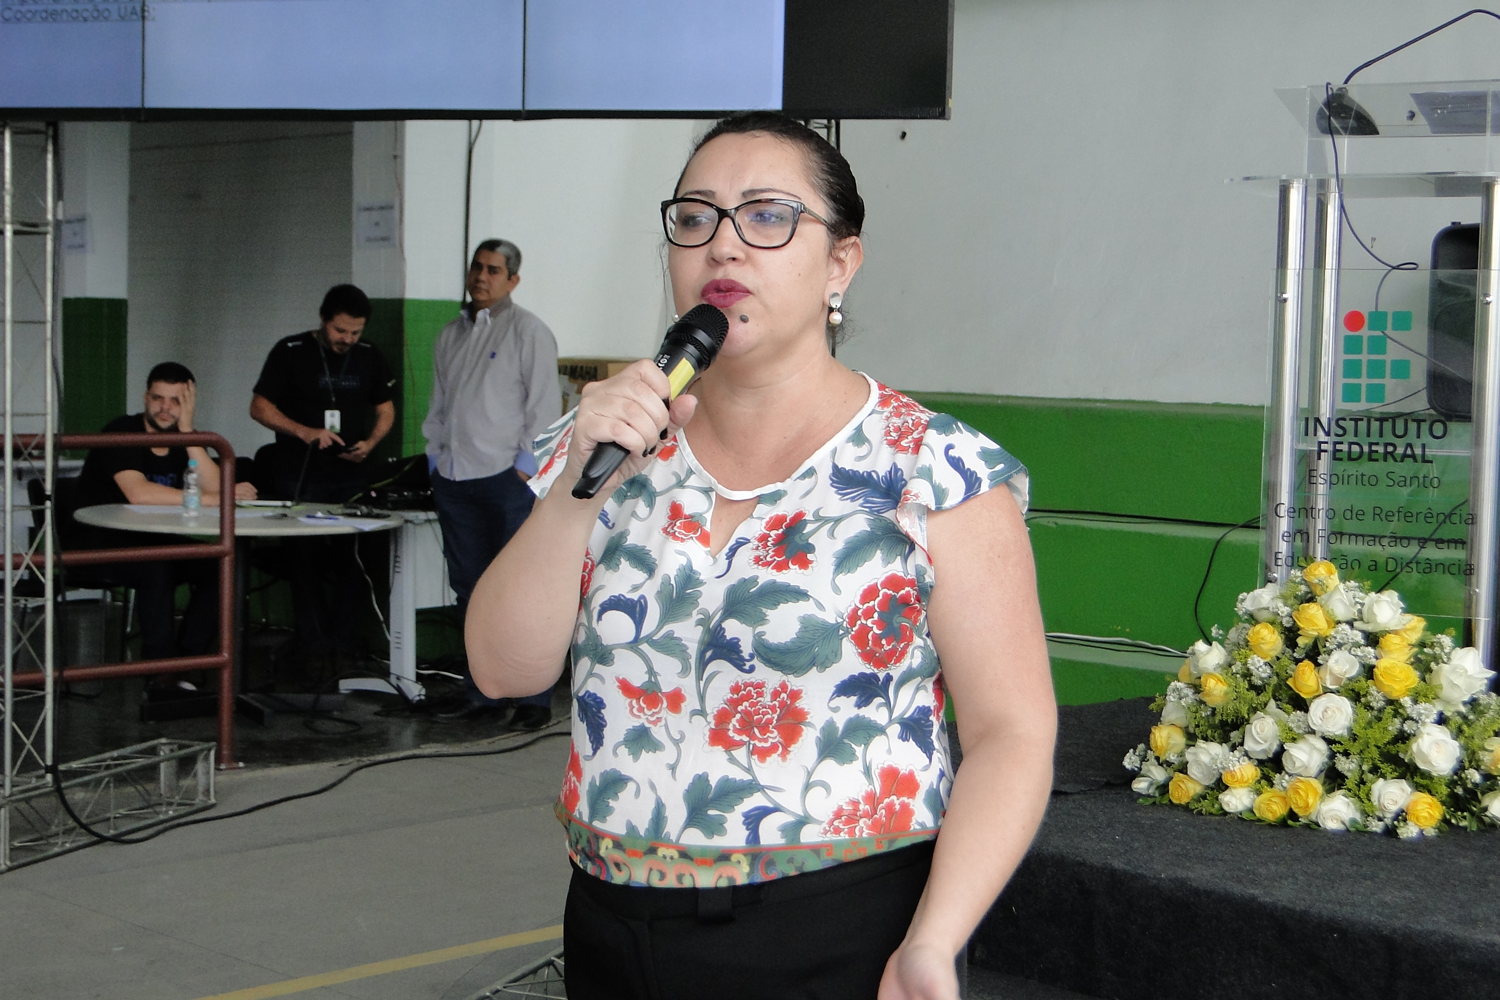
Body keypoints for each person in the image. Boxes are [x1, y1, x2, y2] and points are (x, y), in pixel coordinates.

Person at [465, 113, 1056, 1000]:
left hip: (843, 932)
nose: (723, 245)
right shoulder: (601, 445)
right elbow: (503, 670)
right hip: (612, 928)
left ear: (840, 264)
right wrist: (578, 491)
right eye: (694, 217)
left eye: (768, 216)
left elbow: (1012, 732)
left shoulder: (932, 468)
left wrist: (934, 941)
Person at [422, 240, 561, 727]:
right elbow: (439, 404)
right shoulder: (450, 334)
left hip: (508, 482)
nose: (482, 277)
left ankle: (533, 699)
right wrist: (434, 460)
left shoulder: (529, 331)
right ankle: (484, 693)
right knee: (470, 590)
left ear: (513, 280)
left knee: (521, 591)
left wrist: (524, 469)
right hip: (455, 478)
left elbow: (544, 408)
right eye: (477, 267)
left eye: (494, 270)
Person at [71, 362, 256, 693]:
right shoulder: (122, 430)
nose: (165, 408)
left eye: (176, 401)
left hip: (154, 541)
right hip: (98, 544)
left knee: (222, 564)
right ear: (145, 397)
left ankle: (184, 663)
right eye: (158, 398)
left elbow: (218, 488)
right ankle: (159, 676)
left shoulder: (185, 439)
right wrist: (215, 498)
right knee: (155, 567)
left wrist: (188, 433)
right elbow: (139, 493)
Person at [249, 284, 396, 679]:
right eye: (339, 331)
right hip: (301, 473)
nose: (347, 339)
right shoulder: (291, 351)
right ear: (323, 320)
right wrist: (304, 431)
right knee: (305, 561)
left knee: (357, 560)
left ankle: (342, 644)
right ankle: (313, 647)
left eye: (355, 332)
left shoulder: (369, 356)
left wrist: (371, 443)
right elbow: (259, 407)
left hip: (350, 474)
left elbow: (385, 409)